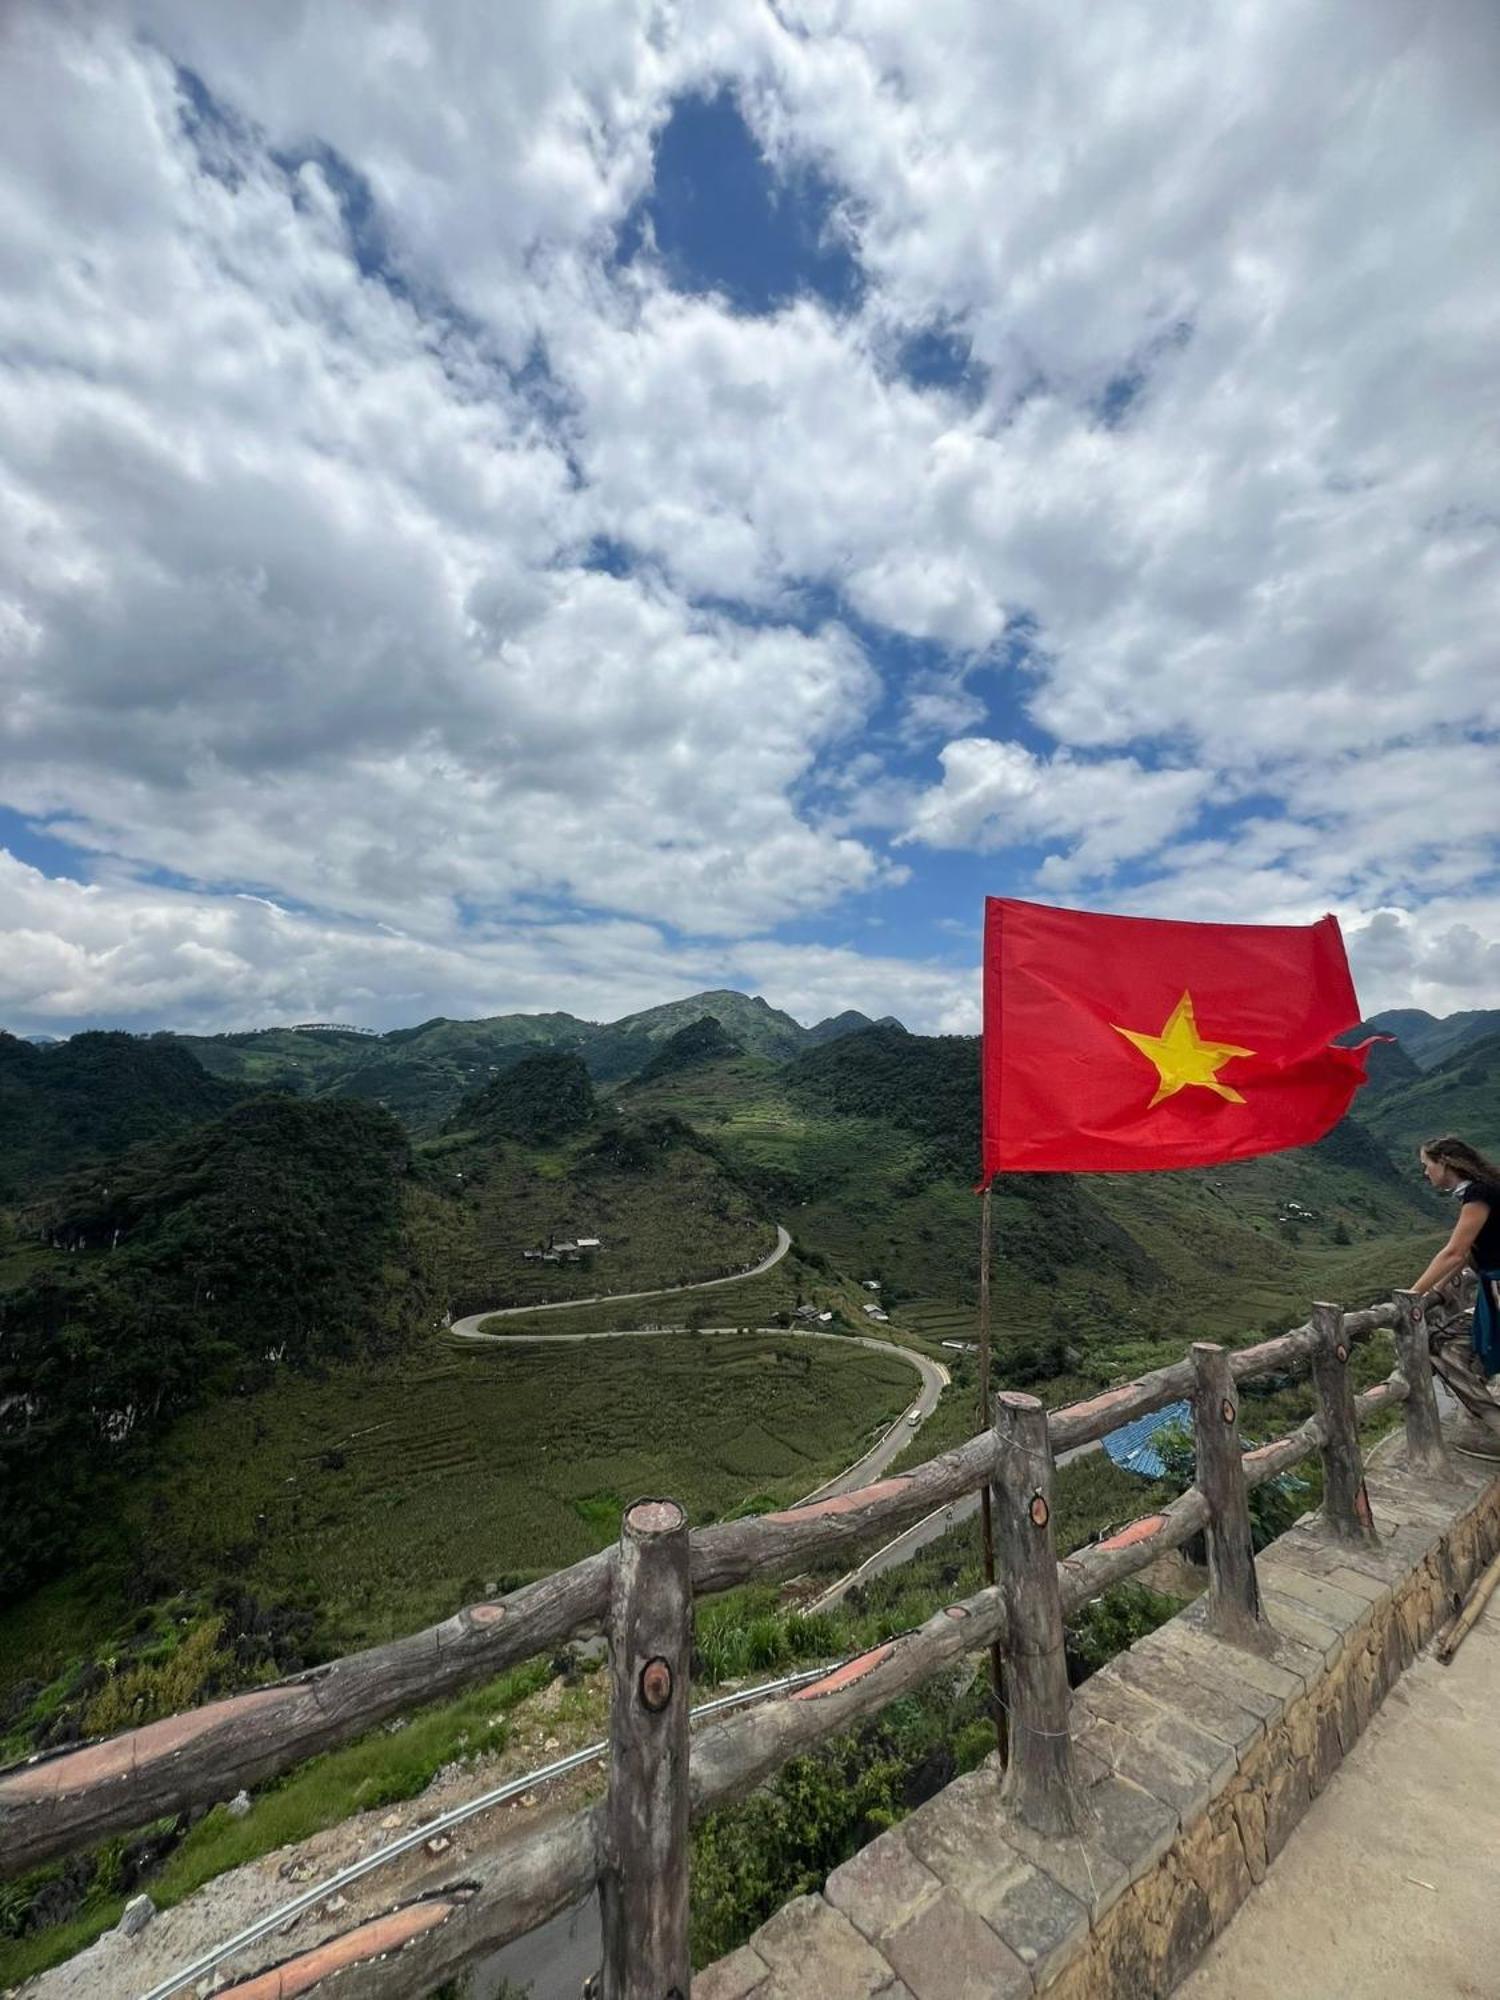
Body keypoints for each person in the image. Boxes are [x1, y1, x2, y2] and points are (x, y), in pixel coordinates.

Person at [1411, 1135, 1500, 1459]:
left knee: (1445, 1346)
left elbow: (1454, 1252)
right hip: (1492, 1286)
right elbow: (1467, 1255)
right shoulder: (1487, 1187)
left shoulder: (1478, 1193)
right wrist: (1437, 1288)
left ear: (1445, 1162)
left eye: (1427, 1165)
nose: (1426, 1173)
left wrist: (1411, 1295)